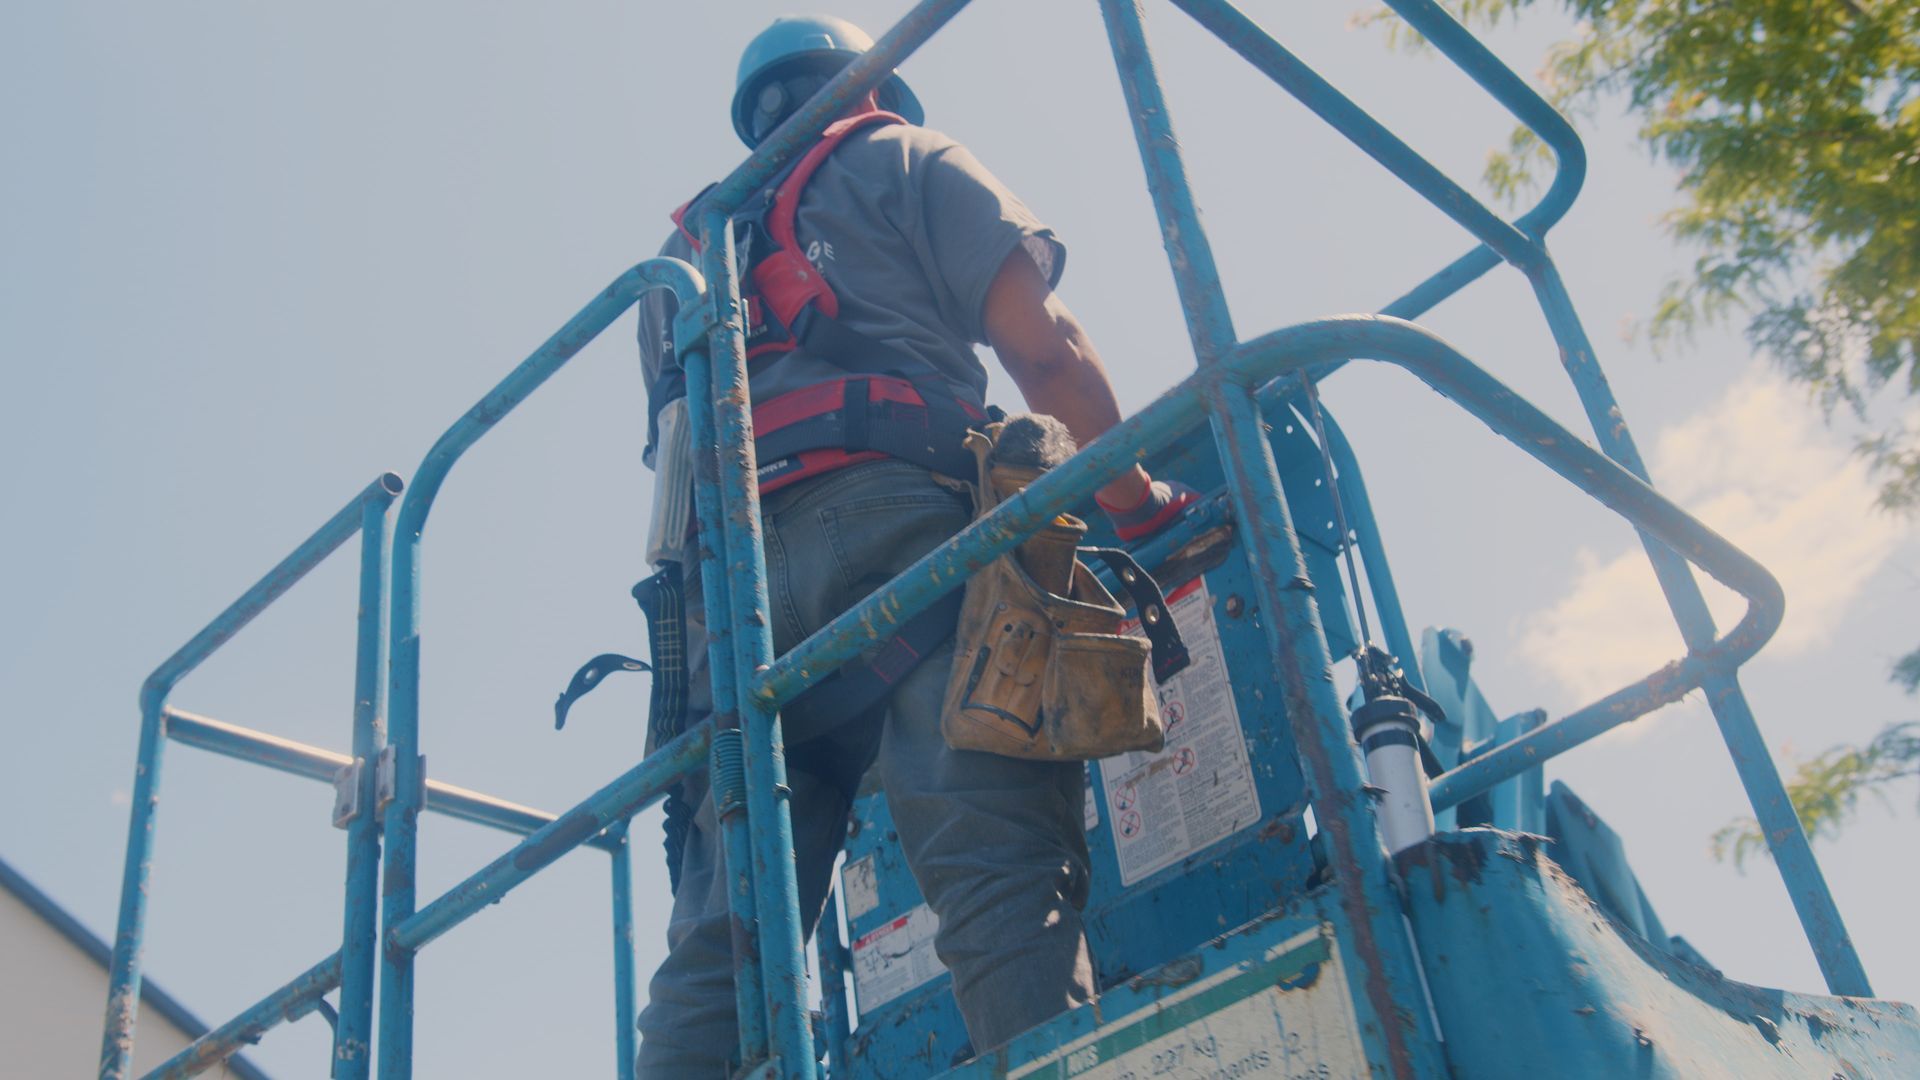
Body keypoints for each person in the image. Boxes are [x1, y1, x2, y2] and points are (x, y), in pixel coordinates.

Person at [634, 15, 1195, 1076]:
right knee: (998, 873)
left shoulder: (679, 267)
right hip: (900, 537)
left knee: (721, 950)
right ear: (870, 90)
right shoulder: (902, 155)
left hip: (732, 606)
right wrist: (1142, 504)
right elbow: (1047, 353)